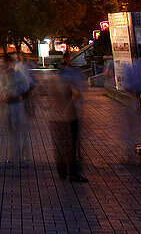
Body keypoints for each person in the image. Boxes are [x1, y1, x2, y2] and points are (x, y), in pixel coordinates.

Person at [54, 51, 88, 182]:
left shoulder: (58, 75)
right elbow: (76, 93)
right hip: (70, 114)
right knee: (72, 144)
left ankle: (62, 171)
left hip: (58, 115)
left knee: (62, 144)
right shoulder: (71, 75)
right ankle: (72, 172)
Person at [0, 53, 32, 167]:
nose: (2, 65)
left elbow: (26, 86)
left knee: (19, 132)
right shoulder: (1, 76)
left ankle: (22, 158)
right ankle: (11, 156)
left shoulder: (17, 74)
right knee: (9, 132)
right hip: (6, 106)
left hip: (17, 105)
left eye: (3, 63)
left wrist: (18, 95)